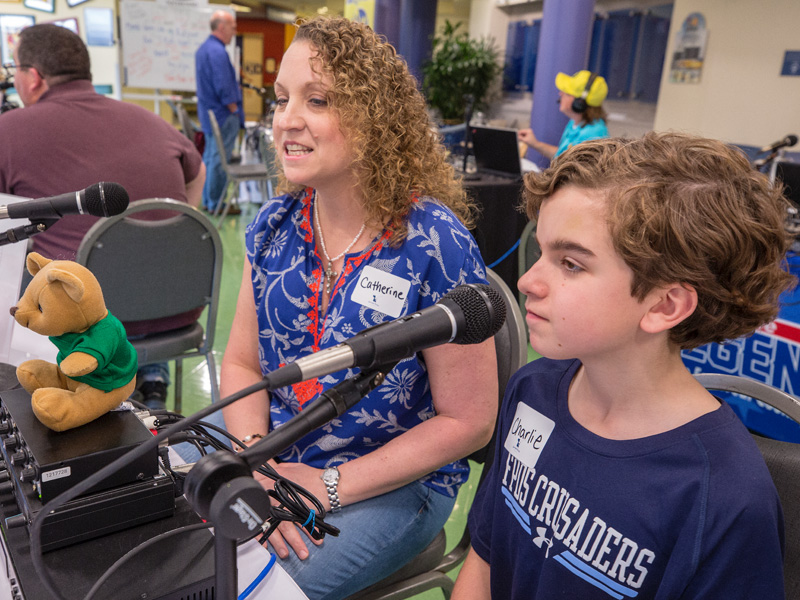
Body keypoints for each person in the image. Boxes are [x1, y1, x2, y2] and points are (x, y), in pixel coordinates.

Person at [221, 16, 498, 600]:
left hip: (396, 483)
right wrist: (256, 462)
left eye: (316, 100)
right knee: (177, 549)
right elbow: (243, 364)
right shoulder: (274, 225)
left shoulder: (433, 242)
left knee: (251, 591)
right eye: (280, 100)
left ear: (374, 118)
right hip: (276, 457)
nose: (286, 120)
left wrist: (328, 485)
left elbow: (469, 420)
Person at [452, 132, 794, 599]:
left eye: (570, 263)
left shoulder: (725, 497)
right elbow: (486, 556)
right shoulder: (530, 390)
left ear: (664, 305)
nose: (528, 281)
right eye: (542, 253)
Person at [0, 24, 206, 410]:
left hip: (84, 330)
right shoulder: (154, 122)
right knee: (134, 274)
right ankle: (151, 382)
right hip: (178, 306)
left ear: (33, 77)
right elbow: (199, 174)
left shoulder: (7, 131)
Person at [195, 10, 244, 214]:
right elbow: (223, 87)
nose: (234, 31)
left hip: (210, 115)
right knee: (218, 162)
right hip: (223, 115)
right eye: (232, 27)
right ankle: (216, 204)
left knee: (210, 159)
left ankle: (208, 201)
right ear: (221, 27)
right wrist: (234, 110)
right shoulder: (217, 52)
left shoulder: (204, 49)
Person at [518, 69, 609, 160]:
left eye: (567, 93)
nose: (560, 94)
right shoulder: (575, 122)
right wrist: (535, 144)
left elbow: (575, 170)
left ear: (579, 103)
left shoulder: (594, 135)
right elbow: (562, 155)